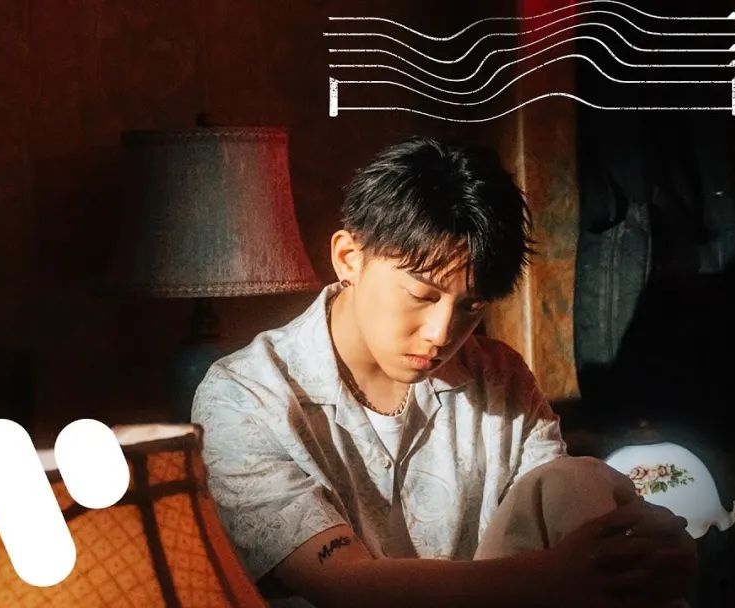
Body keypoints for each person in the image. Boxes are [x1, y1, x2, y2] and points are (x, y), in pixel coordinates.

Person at [192, 137, 696, 607]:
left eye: (470, 307)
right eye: (421, 295)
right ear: (348, 258)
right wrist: (556, 576)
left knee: (579, 479)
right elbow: (341, 583)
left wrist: (649, 549)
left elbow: (561, 511)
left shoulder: (498, 376)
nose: (440, 334)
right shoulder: (244, 395)